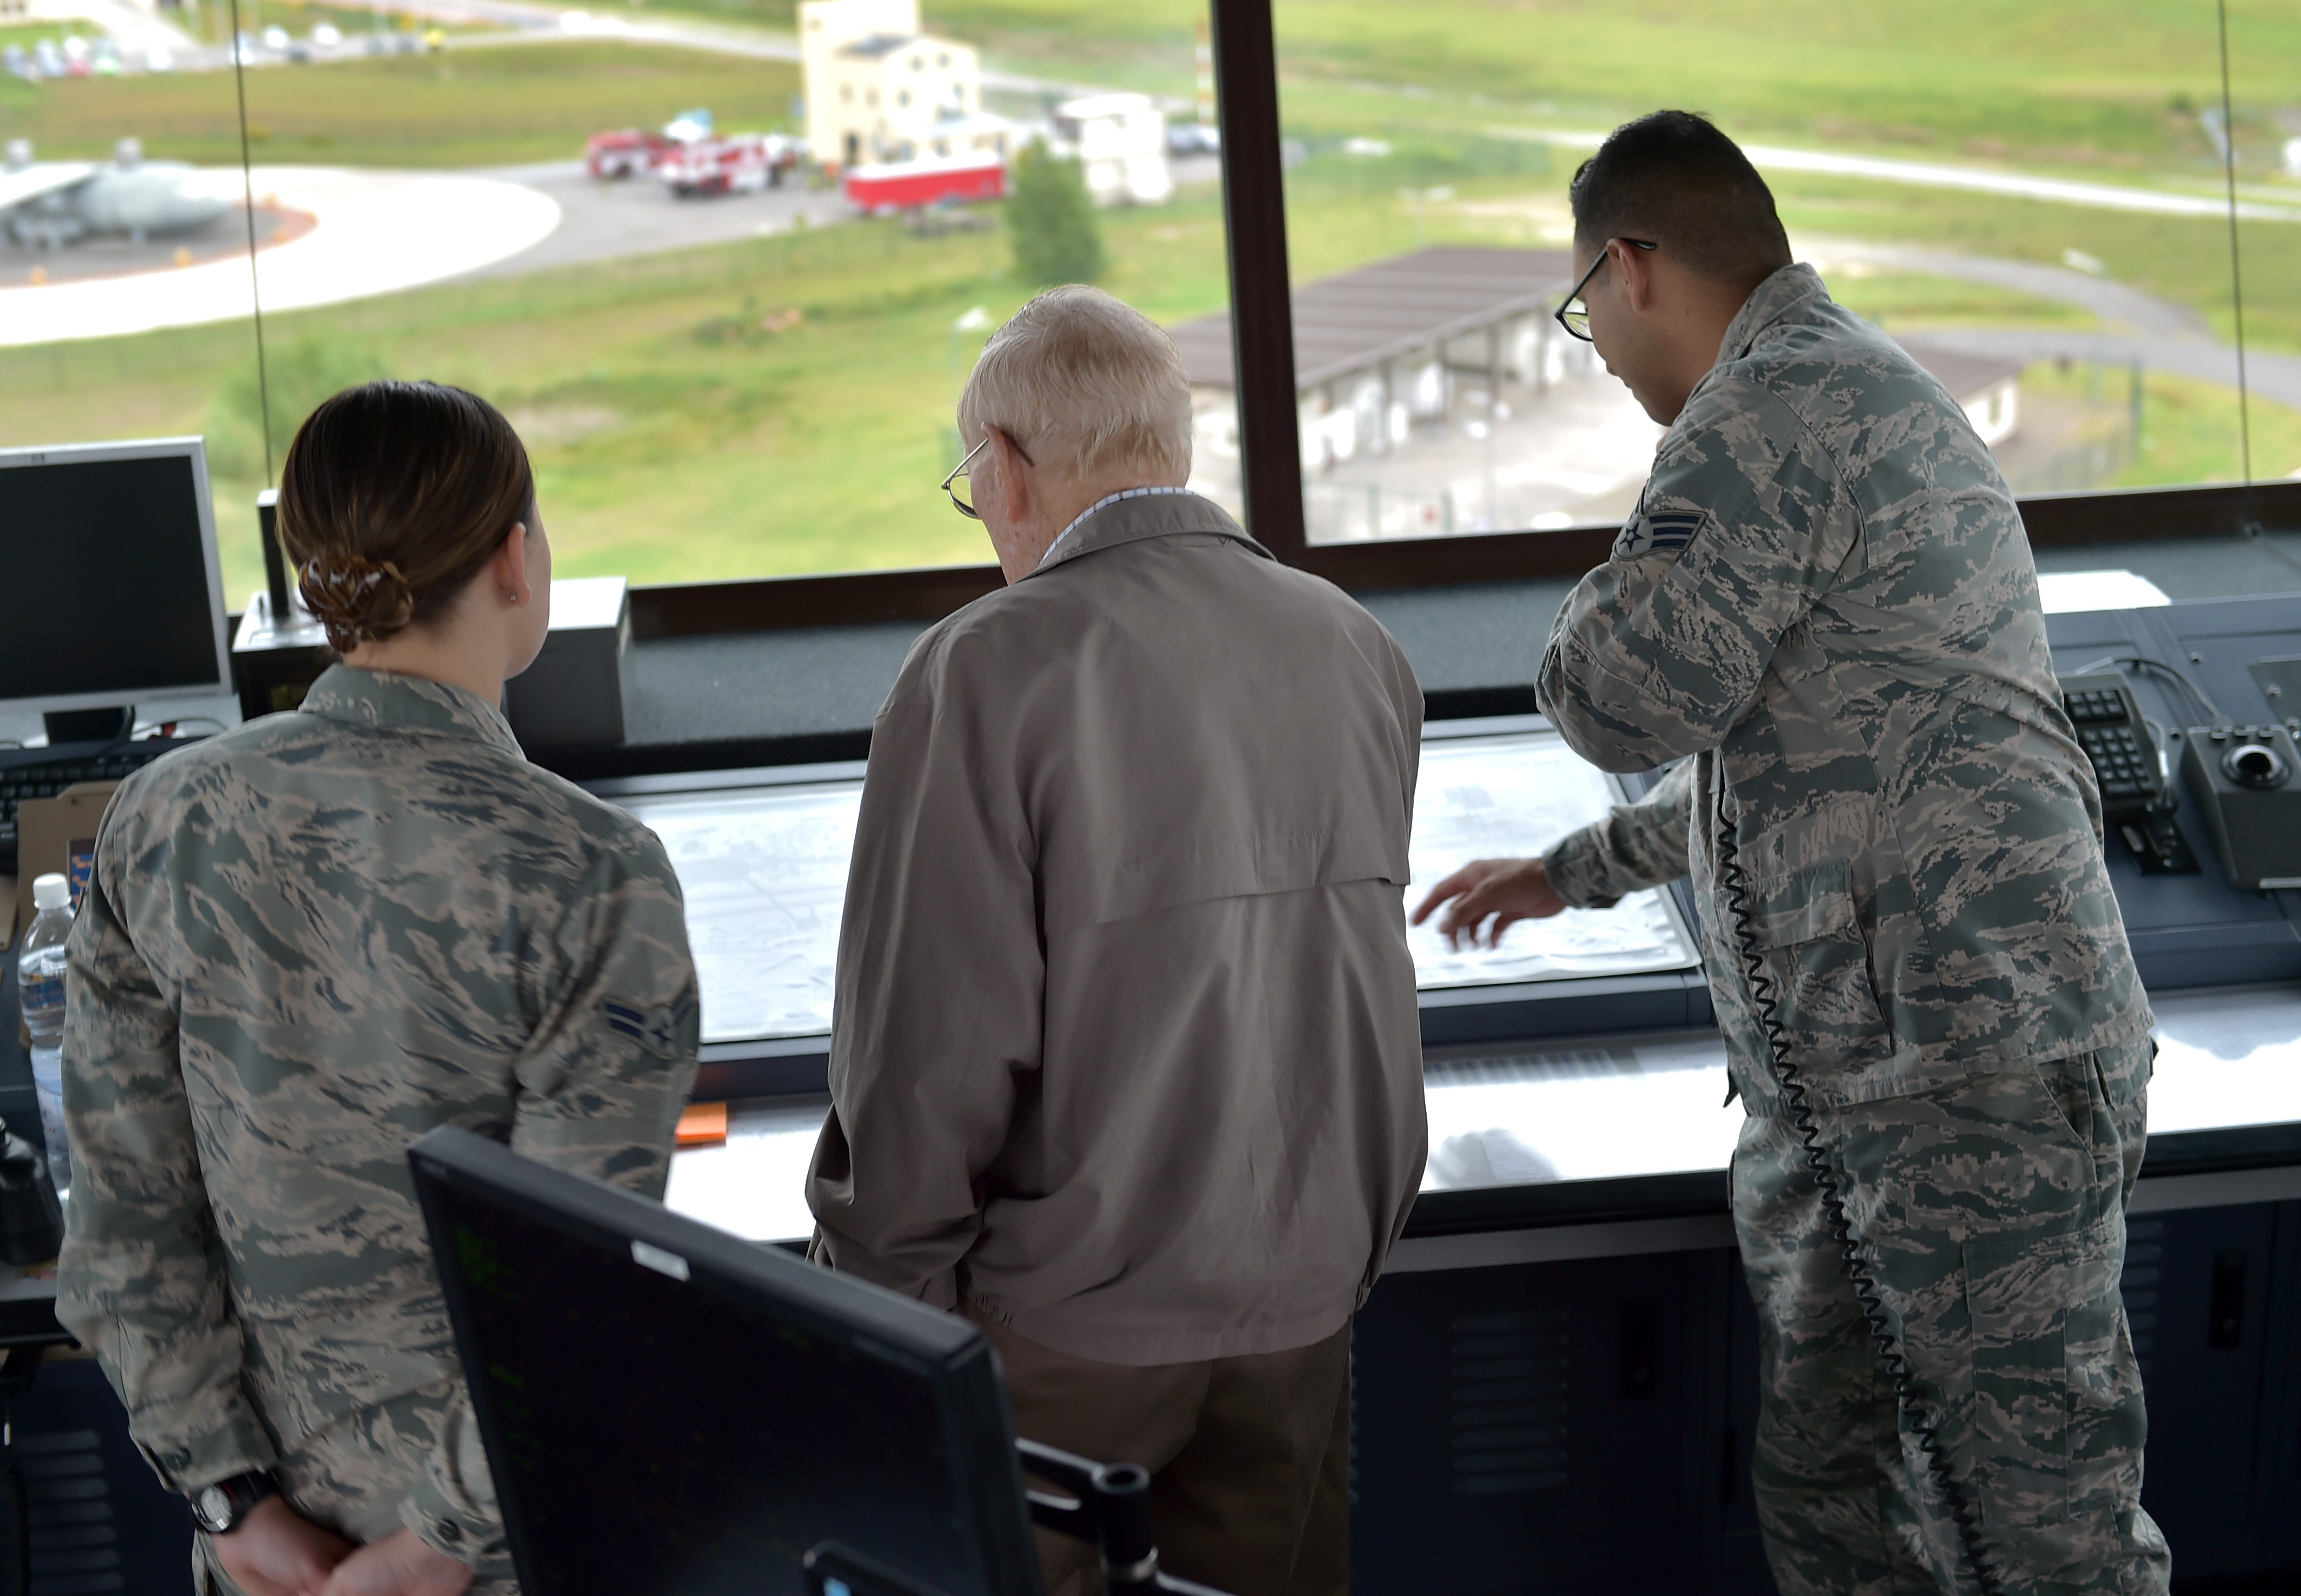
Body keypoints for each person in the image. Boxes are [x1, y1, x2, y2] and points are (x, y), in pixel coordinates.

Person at [1415, 113, 2169, 1596]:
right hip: (1884, 1079)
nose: (1606, 357)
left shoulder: (1768, 416)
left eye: (1588, 319)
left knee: (2041, 1537)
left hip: (1957, 1078)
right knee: (1837, 1501)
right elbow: (1820, 762)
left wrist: (1610, 554)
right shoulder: (1849, 392)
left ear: (1630, 270)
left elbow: (1617, 692)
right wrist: (1571, 870)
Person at [806, 285, 1427, 1596]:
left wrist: (883, 1333)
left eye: (974, 498)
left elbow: (926, 1058)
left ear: (1010, 471)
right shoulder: (1358, 647)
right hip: (1307, 1305)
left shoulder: (981, 671)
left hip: (1067, 1337)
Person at [58, 381, 701, 1596]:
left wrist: (230, 1501)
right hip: (512, 1551)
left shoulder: (162, 817)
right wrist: (433, 1550)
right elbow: (574, 1287)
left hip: (272, 1554)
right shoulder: (590, 869)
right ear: (515, 560)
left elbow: (125, 1218)